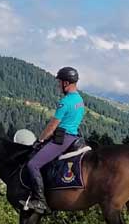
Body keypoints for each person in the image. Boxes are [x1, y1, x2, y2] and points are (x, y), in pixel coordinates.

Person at [23, 66, 85, 213]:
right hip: (74, 136)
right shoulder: (79, 100)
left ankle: (40, 201)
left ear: (65, 83)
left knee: (33, 164)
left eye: (59, 82)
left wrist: (40, 139)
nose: (58, 85)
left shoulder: (66, 102)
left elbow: (52, 126)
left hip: (63, 138)